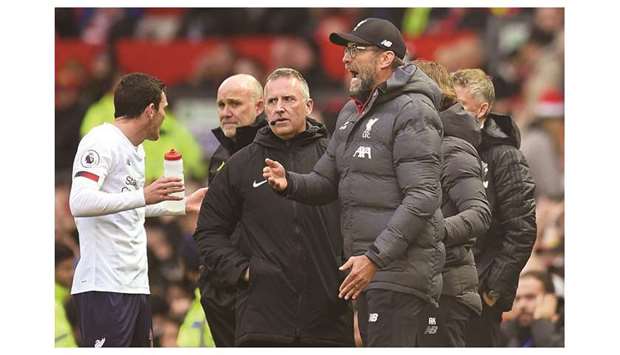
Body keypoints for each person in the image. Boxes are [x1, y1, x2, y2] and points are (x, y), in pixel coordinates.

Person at [262, 18, 445, 346]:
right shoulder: (351, 112)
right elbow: (324, 180)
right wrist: (289, 182)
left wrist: (375, 257)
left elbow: (424, 195)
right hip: (366, 272)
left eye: (356, 50)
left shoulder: (413, 109)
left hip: (397, 274)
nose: (345, 59)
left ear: (385, 58)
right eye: (346, 51)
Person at [194, 68, 354, 346]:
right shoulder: (239, 165)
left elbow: (359, 218)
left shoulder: (335, 158)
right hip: (261, 321)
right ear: (263, 109)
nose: (279, 108)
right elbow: (208, 232)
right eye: (272, 102)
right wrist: (243, 271)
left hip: (328, 320)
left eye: (289, 100)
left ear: (309, 106)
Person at [69, 72, 207, 347]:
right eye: (164, 108)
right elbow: (80, 202)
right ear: (150, 110)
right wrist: (143, 195)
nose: (166, 116)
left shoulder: (136, 149)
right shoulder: (101, 141)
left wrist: (178, 206)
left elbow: (124, 207)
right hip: (104, 287)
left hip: (135, 285)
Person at [451, 68, 537, 347]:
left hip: (479, 297)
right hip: (443, 289)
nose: (451, 113)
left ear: (482, 109)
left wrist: (492, 291)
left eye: (460, 106)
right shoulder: (441, 149)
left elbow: (522, 230)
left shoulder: (505, 156)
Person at [412, 60, 491, 347]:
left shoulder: (453, 147)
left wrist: (430, 231)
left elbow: (479, 214)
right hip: (415, 286)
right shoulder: (411, 144)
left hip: (446, 292)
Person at [198, 73, 266, 347]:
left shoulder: (271, 150)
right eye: (221, 105)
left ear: (259, 106)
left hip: (255, 285)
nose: (226, 113)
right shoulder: (220, 155)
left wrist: (250, 272)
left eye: (235, 104)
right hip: (220, 285)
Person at [501, 271, 564, 347]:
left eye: (530, 297)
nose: (522, 305)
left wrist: (541, 320)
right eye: (517, 299)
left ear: (550, 300)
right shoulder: (508, 331)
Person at [55, 242, 78, 347]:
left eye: (73, 267)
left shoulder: (65, 299)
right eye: (66, 269)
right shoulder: (55, 305)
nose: (72, 273)